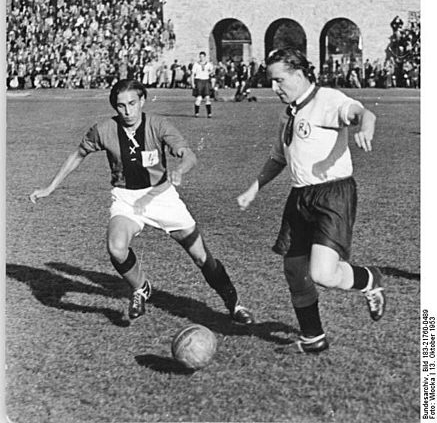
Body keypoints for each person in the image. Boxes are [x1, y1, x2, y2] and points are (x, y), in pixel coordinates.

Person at [30, 79, 253, 325]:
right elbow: (78, 154)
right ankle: (140, 287)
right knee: (116, 248)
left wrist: (181, 168)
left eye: (132, 104)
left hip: (161, 195)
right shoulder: (103, 129)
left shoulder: (158, 124)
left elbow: (188, 154)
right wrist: (50, 187)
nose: (127, 111)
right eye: (121, 106)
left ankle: (234, 304)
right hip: (126, 198)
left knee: (201, 257)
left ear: (143, 101)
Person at [237, 48, 385, 354]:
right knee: (294, 270)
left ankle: (369, 279)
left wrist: (365, 128)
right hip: (299, 195)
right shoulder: (289, 111)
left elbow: (362, 114)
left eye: (279, 80)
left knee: (323, 274)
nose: (274, 88)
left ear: (300, 73)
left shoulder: (326, 100)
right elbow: (278, 157)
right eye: (271, 81)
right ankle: (312, 337)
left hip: (332, 194)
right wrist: (255, 188)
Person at [191, 51, 215, 118]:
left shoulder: (209, 64)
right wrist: (192, 83)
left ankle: (209, 113)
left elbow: (212, 72)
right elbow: (192, 74)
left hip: (206, 81)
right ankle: (197, 113)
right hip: (199, 81)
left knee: (207, 98)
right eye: (200, 57)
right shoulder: (196, 64)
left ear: (205, 57)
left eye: (203, 57)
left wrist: (211, 73)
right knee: (199, 98)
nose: (201, 58)